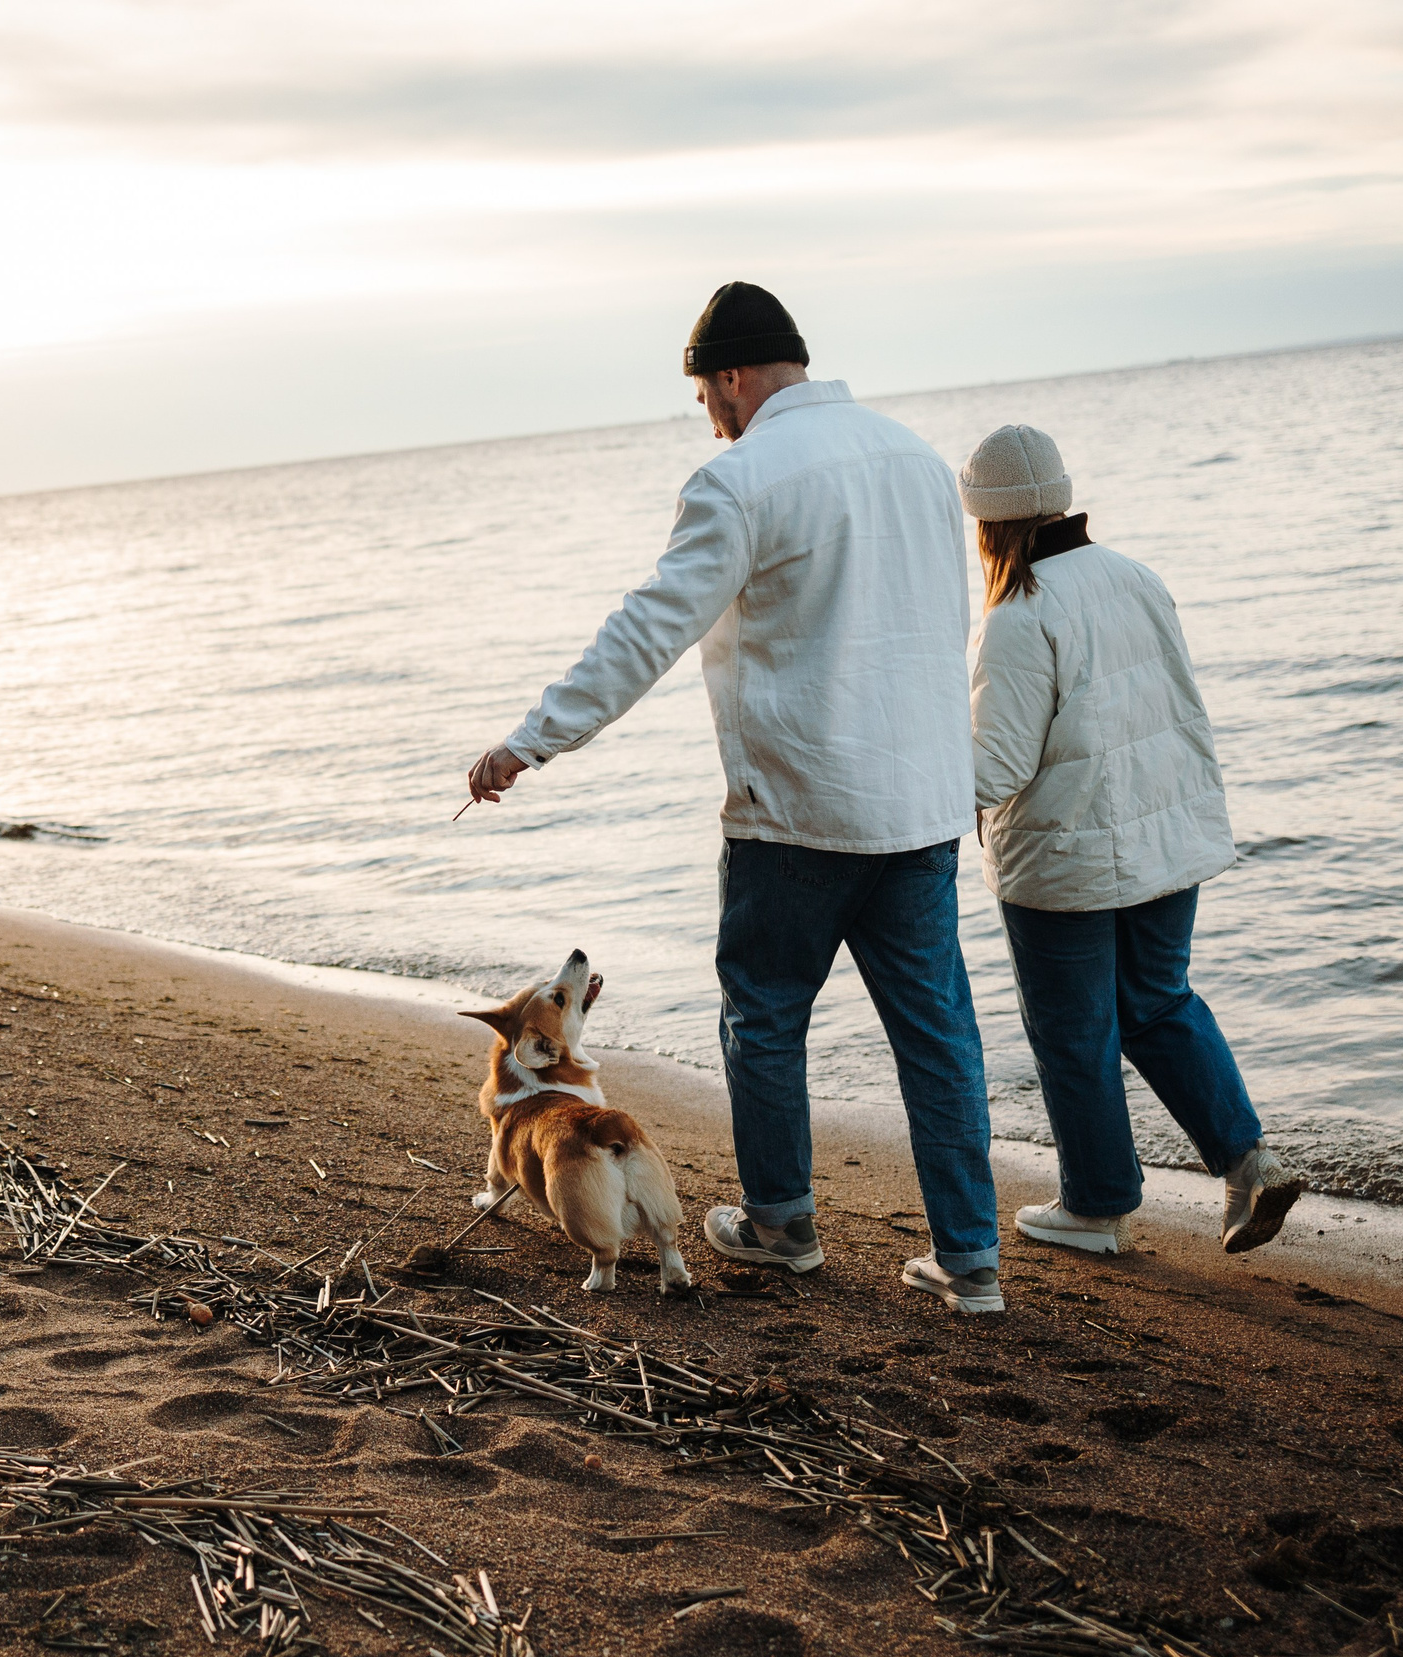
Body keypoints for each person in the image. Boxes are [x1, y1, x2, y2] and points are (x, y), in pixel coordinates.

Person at [464, 281, 1005, 1313]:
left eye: (705, 395)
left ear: (731, 378)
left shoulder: (739, 479)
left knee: (763, 1021)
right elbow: (938, 632)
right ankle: (970, 1263)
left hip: (799, 809)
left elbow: (647, 630)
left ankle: (779, 1224)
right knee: (938, 1038)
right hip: (920, 807)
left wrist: (529, 741)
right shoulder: (917, 460)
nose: (706, 416)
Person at [960, 423, 1304, 1256]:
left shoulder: (1018, 613)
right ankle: (1248, 1162)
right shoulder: (1136, 576)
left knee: (1073, 1032)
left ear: (988, 522)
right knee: (1159, 1002)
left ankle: (1098, 1203)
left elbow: (996, 768)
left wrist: (916, 796)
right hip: (1163, 838)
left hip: (1065, 860)